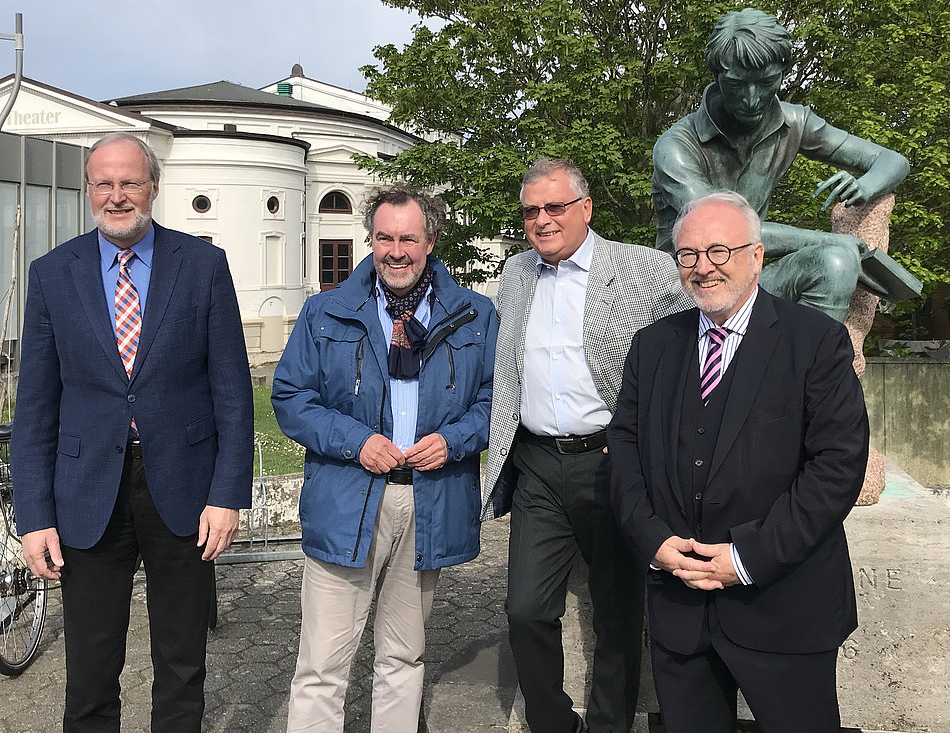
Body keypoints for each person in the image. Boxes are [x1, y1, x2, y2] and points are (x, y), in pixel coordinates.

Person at [12, 132, 254, 733]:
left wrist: (227, 494)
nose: (117, 196)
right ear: (88, 189)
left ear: (152, 186)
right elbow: (36, 407)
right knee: (90, 672)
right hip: (87, 491)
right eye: (104, 183)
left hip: (184, 489)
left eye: (130, 182)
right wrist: (34, 514)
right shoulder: (51, 274)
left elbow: (232, 391)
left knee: (181, 664)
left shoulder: (202, 266)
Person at [608, 191, 869, 733]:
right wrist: (652, 540)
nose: (703, 267)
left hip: (784, 607)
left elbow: (837, 467)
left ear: (758, 256)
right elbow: (625, 454)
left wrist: (746, 557)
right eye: (689, 254)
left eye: (719, 251)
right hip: (679, 607)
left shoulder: (815, 341)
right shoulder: (652, 347)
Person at [272, 186, 497, 733]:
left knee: (403, 656)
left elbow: (497, 402)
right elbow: (290, 398)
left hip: (428, 497)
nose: (395, 251)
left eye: (408, 239)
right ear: (370, 240)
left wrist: (456, 439)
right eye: (384, 238)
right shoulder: (325, 311)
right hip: (348, 494)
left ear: (431, 241)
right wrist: (356, 440)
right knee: (322, 665)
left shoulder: (474, 314)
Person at [481, 158, 690, 733]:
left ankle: (608, 726)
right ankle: (554, 723)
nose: (542, 220)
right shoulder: (516, 271)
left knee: (618, 614)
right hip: (539, 465)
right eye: (531, 211)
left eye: (555, 207)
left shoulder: (645, 268)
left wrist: (647, 444)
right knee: (524, 609)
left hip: (611, 462)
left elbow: (685, 355)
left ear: (586, 209)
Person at [652, 7, 910, 321]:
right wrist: (834, 239)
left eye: (766, 83)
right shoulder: (676, 147)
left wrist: (864, 186)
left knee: (835, 262)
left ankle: (817, 368)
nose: (751, 99)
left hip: (750, 284)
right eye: (736, 85)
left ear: (782, 73)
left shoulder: (795, 121)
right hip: (689, 294)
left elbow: (893, 160)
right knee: (837, 249)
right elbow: (721, 232)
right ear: (717, 76)